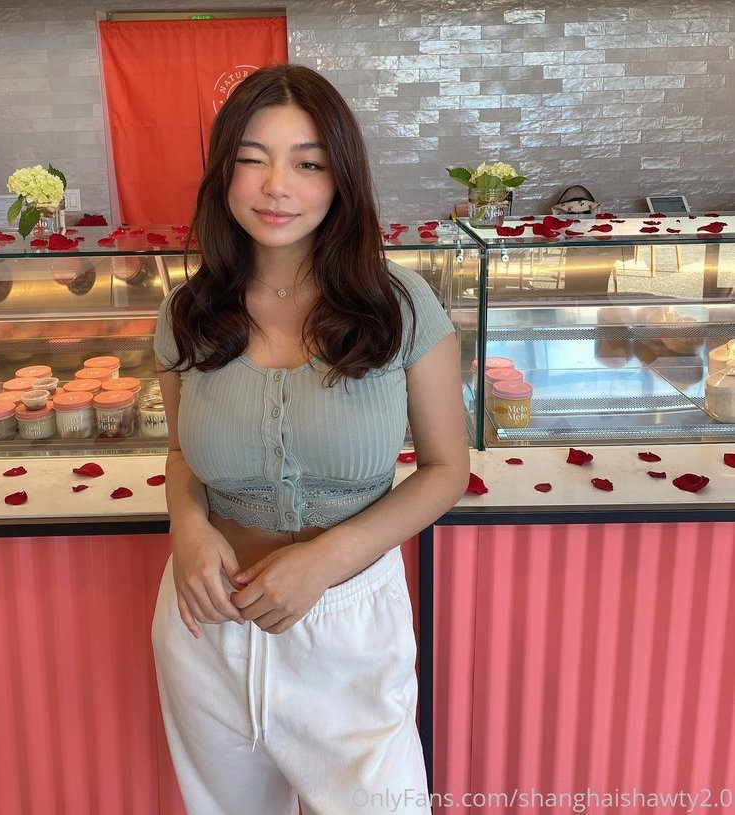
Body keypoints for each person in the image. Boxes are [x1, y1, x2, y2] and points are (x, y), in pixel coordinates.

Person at [151, 63, 469, 815]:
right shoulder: (188, 312)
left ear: (340, 178)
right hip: (208, 621)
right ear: (224, 175)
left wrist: (325, 561)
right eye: (252, 159)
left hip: (348, 624)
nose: (276, 188)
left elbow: (446, 469)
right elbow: (182, 455)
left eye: (308, 163)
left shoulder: (400, 305)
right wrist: (187, 529)